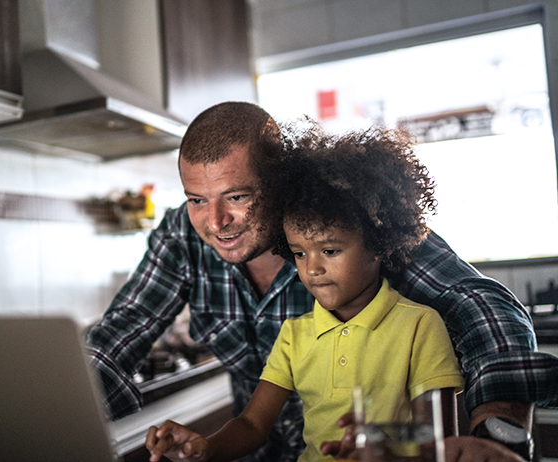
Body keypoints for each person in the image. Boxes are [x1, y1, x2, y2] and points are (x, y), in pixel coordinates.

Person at [86, 102, 558, 462]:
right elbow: (120, 333)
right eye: (196, 199)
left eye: (237, 196)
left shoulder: (348, 222)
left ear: (279, 179)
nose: (216, 222)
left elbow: (482, 307)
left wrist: (499, 434)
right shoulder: (181, 234)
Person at [144, 124, 465, 462]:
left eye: (329, 251)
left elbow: (440, 436)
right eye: (299, 253)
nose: (312, 269)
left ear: (378, 246)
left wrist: (382, 443)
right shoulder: (295, 336)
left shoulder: (419, 326)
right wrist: (206, 447)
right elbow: (252, 425)